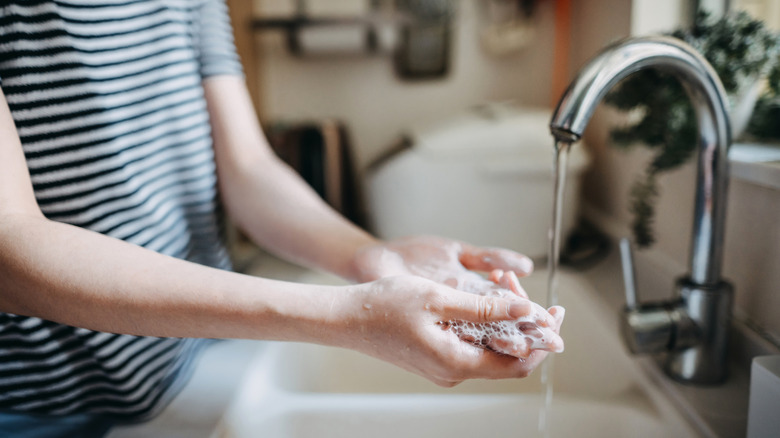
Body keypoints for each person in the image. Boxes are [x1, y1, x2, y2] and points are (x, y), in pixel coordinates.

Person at [0, 1, 564, 436]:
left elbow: (247, 168)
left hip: (187, 361)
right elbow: (10, 248)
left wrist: (370, 254)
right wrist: (352, 314)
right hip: (38, 402)